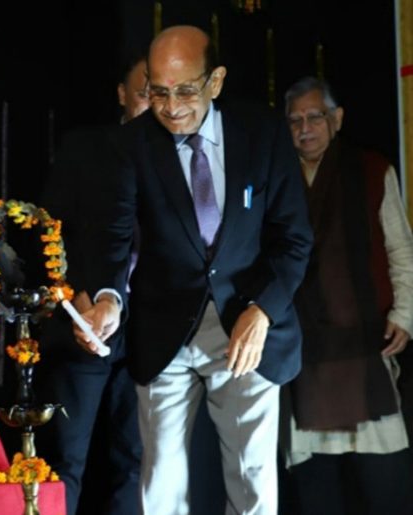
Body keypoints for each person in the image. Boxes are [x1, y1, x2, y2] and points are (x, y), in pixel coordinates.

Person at [75, 26, 313, 515]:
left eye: (185, 90)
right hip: (166, 330)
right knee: (161, 481)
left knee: (253, 481)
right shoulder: (131, 146)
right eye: (158, 92)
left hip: (247, 325)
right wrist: (107, 298)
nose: (172, 106)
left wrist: (263, 310)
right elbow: (113, 240)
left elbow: (293, 238)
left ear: (216, 81)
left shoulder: (262, 134)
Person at [282, 76, 413, 515]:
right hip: (306, 356)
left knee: (386, 484)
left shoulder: (372, 170)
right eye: (295, 119)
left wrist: (406, 314)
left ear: (336, 119)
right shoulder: (277, 179)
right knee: (317, 489)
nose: (305, 128)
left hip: (365, 348)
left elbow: (401, 250)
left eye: (315, 116)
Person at [37, 53, 149, 515]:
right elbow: (48, 229)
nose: (156, 102)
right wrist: (75, 295)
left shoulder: (180, 158)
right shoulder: (86, 148)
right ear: (122, 94)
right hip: (84, 322)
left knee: (138, 460)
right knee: (67, 458)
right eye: (146, 91)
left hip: (148, 332)